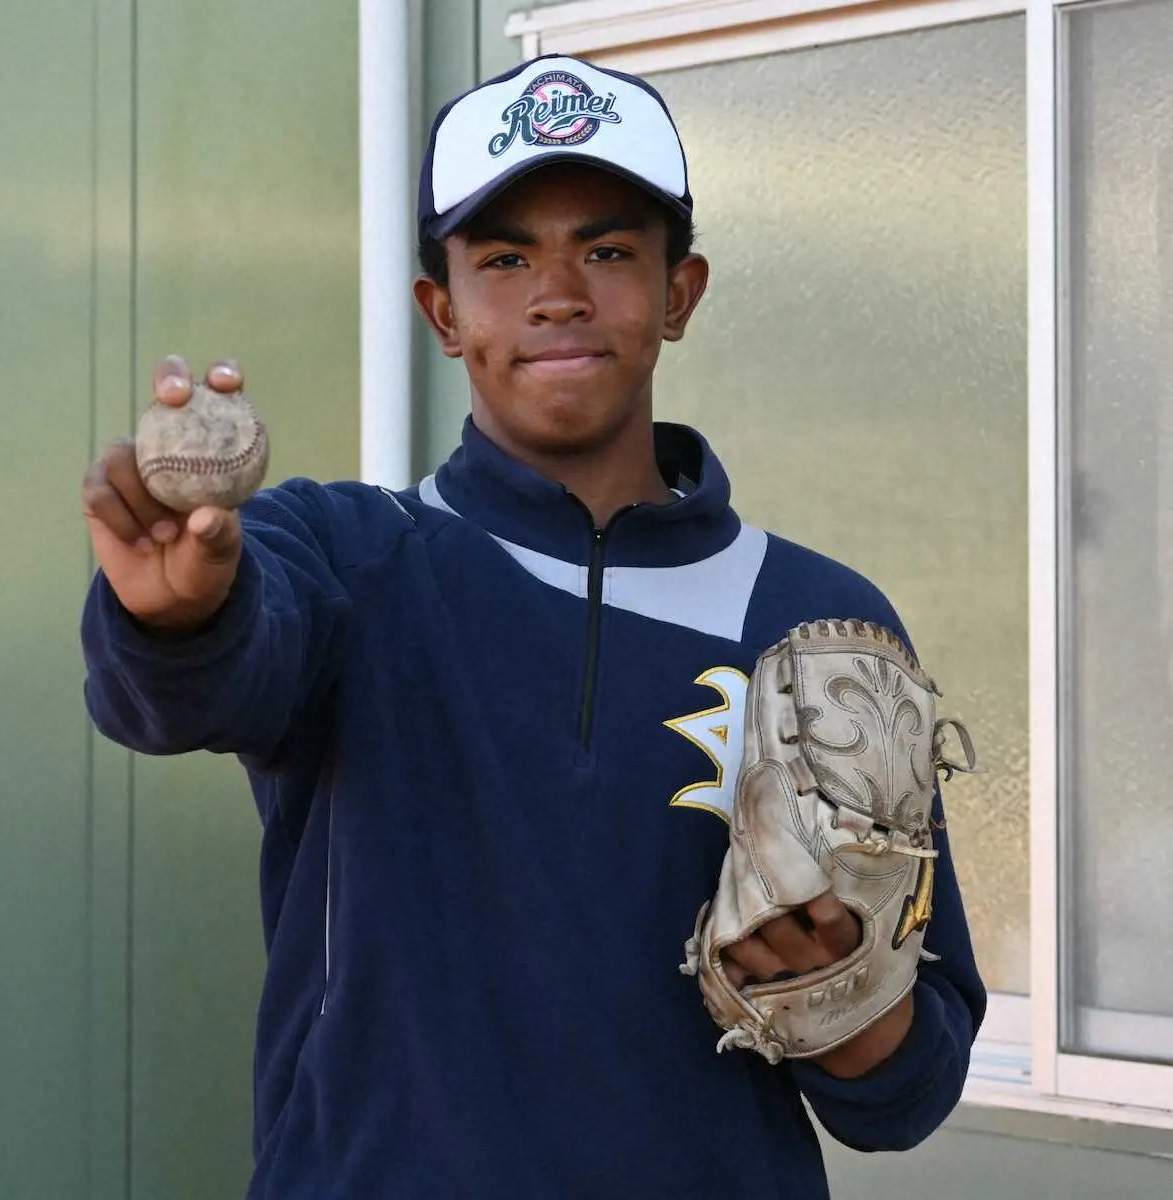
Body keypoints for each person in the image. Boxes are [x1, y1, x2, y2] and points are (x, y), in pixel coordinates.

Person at [81, 54, 985, 1199]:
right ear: (442, 311)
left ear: (679, 292)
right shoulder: (345, 559)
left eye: (607, 251)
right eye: (504, 258)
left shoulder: (814, 624)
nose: (557, 292)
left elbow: (912, 1089)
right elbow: (193, 688)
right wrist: (175, 613)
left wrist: (846, 1004)